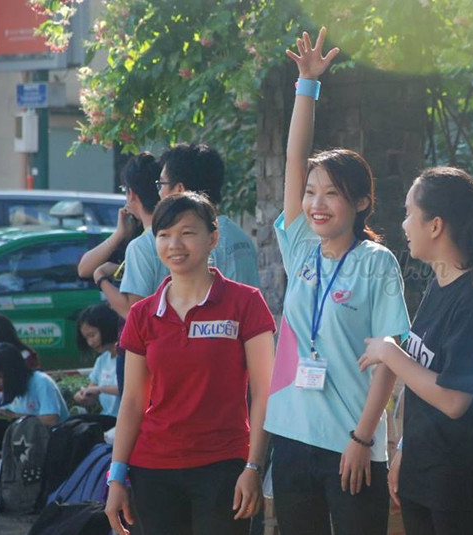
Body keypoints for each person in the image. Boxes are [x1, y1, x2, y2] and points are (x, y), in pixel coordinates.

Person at [262, 28, 410, 535]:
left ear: (361, 202)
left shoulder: (377, 262)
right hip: (291, 435)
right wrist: (307, 85)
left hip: (351, 443)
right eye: (311, 193)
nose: (316, 203)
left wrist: (364, 438)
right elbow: (293, 160)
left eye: (332, 194)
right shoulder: (301, 247)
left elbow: (389, 359)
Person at [105, 192, 276, 535]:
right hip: (153, 470)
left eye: (187, 232)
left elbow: (265, 392)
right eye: (164, 234)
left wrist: (254, 466)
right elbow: (134, 401)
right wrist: (116, 477)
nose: (174, 245)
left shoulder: (246, 302)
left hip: (224, 467)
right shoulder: (142, 314)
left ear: (212, 238)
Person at [358, 167, 473, 535]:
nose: (404, 225)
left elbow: (454, 400)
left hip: (460, 482)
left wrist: (390, 352)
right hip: (423, 471)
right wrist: (405, 448)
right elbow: (424, 381)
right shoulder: (439, 284)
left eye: (409, 213)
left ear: (436, 226)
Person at [158, 143, 260, 287]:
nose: (159, 193)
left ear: (179, 189)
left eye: (161, 184)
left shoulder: (191, 244)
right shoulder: (241, 237)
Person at [92, 152, 164, 319]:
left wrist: (100, 277)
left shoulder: (141, 245)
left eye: (125, 190)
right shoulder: (179, 237)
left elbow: (130, 310)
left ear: (131, 194)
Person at [0, 343, 69, 462]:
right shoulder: (16, 388)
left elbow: (51, 419)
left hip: (50, 440)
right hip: (26, 437)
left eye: (0, 377)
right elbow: (8, 413)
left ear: (12, 373)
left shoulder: (41, 382)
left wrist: (15, 416)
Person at [73, 303, 121, 418]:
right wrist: (83, 396)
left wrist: (100, 389)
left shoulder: (128, 358)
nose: (90, 343)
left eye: (92, 335)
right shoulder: (102, 360)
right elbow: (92, 393)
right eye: (86, 338)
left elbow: (128, 389)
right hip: (107, 417)